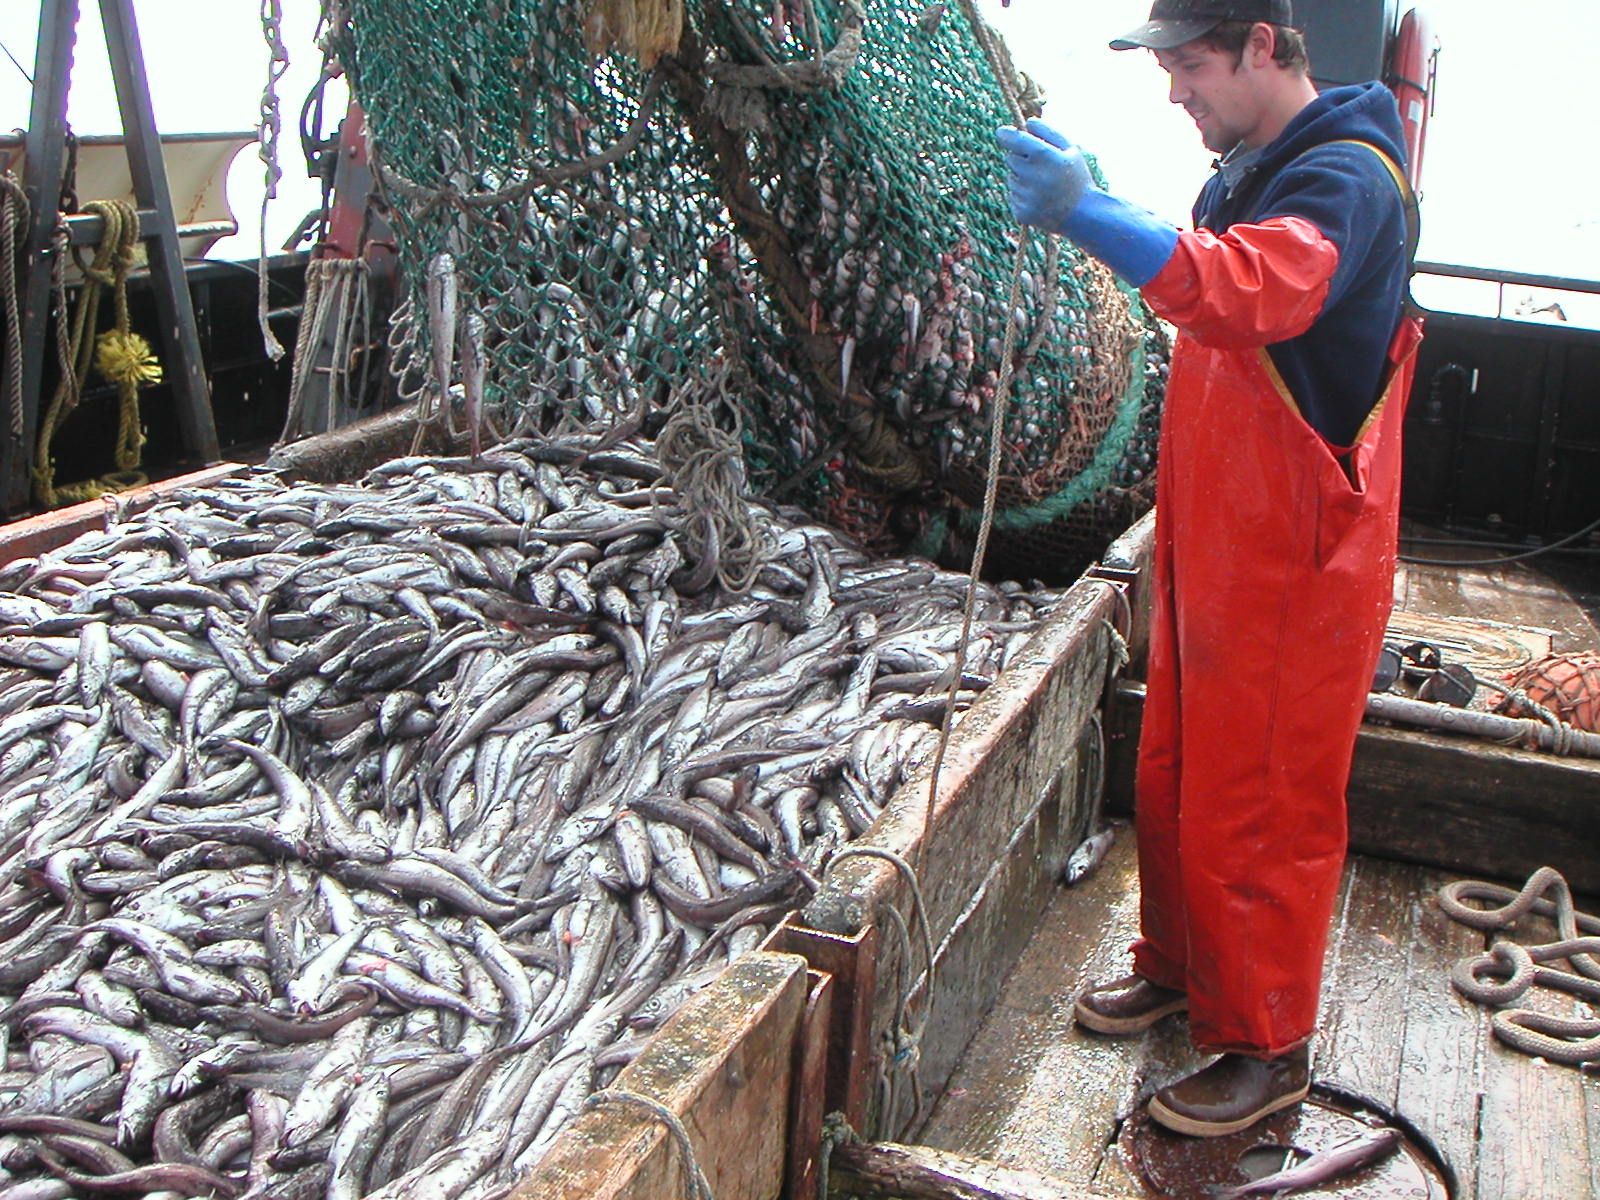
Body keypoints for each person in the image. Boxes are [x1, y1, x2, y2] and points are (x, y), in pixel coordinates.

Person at [996, 0, 1421, 1138]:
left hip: (1296, 558)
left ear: (1265, 49)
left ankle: (1266, 1043)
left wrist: (1084, 213)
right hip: (1216, 539)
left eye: (1191, 66)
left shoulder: (1349, 181)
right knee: (1181, 765)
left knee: (1264, 800)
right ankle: (1184, 968)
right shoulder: (1250, 167)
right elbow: (1213, 265)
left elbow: (1247, 292)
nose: (1174, 93)